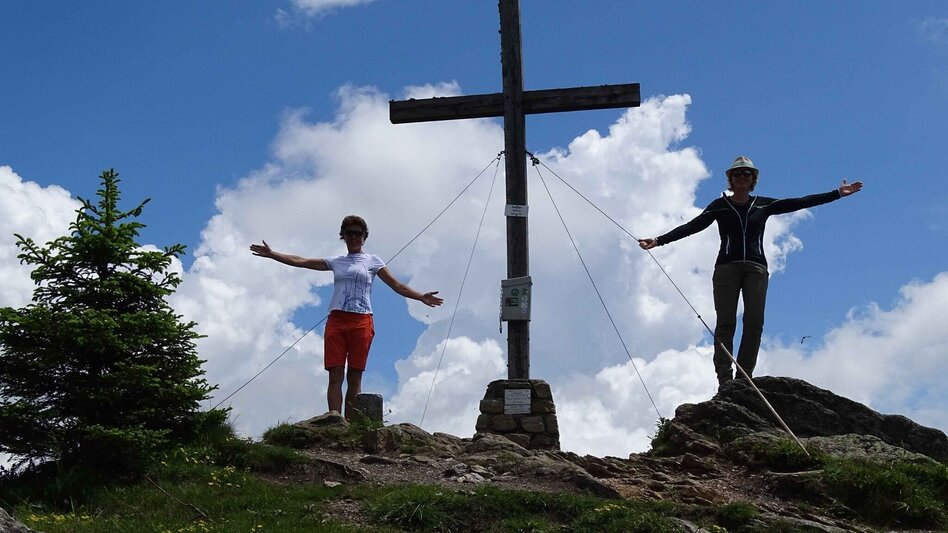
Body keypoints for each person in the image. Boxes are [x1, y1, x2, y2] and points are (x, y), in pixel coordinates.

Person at [638, 156, 862, 389]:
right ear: (731, 179)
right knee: (725, 324)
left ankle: (744, 377)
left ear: (753, 179)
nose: (742, 177)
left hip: (756, 269)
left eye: (747, 174)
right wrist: (659, 240)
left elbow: (799, 202)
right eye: (737, 174)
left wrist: (837, 193)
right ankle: (724, 378)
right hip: (726, 269)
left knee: (754, 323)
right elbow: (692, 226)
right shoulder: (720, 206)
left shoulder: (763, 205)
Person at [250, 215, 443, 420]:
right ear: (343, 236)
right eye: (349, 233)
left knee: (354, 375)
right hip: (337, 320)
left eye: (357, 234)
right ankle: (334, 420)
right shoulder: (337, 262)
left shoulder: (373, 261)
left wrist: (420, 296)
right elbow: (302, 261)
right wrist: (273, 254)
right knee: (335, 373)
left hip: (362, 320)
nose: (353, 237)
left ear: (364, 237)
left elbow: (397, 285)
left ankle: (351, 424)